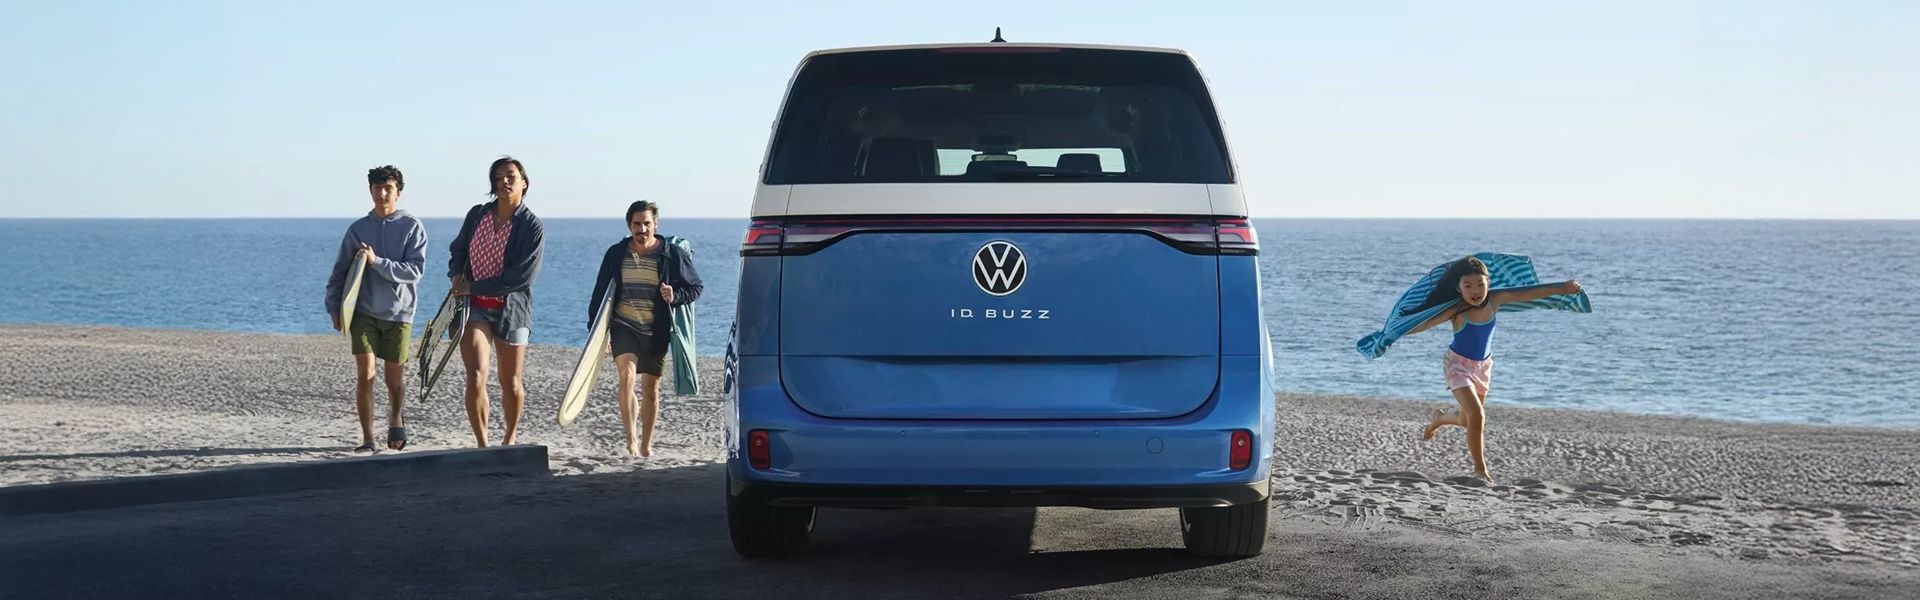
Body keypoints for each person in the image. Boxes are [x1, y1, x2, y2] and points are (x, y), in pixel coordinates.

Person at [1401, 256, 1582, 482]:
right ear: (1458, 288)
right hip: (1457, 365)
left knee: (1468, 421)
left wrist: (1563, 288)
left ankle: (1440, 418)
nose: (1475, 290)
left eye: (1480, 284)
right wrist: (1393, 335)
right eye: (1468, 286)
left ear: (1488, 283)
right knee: (1477, 416)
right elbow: (1425, 323)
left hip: (1483, 367)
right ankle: (1480, 470)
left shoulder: (1495, 299)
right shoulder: (1457, 310)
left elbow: (1528, 293)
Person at [323, 165, 428, 453]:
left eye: (388, 188)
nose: (382, 194)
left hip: (399, 314)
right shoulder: (357, 230)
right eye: (377, 188)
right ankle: (368, 438)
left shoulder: (412, 227)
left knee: (394, 379)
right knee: (366, 373)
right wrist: (334, 308)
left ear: (399, 192)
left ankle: (395, 415)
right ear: (369, 190)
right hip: (364, 313)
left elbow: (415, 271)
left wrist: (377, 261)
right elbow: (340, 273)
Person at [588, 200, 704, 457]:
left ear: (656, 224)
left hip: (656, 330)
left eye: (646, 223)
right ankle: (631, 439)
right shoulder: (616, 254)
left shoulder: (672, 255)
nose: (642, 229)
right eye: (636, 224)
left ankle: (646, 444)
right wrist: (597, 335)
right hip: (624, 325)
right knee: (626, 376)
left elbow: (695, 287)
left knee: (651, 389)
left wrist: (674, 295)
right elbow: (599, 295)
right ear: (629, 225)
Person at [447, 156, 546, 447]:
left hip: (511, 310)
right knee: (476, 375)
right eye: (498, 177)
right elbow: (459, 250)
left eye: (511, 176)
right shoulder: (478, 215)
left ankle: (509, 438)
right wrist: (456, 276)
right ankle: (482, 444)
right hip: (474, 307)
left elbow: (522, 277)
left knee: (511, 382)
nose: (504, 181)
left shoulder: (531, 227)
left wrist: (473, 285)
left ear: (524, 183)